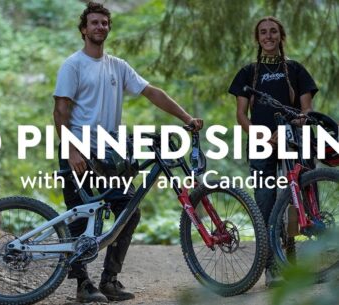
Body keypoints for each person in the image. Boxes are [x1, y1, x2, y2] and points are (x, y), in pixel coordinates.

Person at [53, 2, 203, 303]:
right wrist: (70, 150)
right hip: (79, 151)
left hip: (110, 156)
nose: (99, 27)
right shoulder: (73, 65)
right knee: (81, 219)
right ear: (84, 29)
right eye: (94, 23)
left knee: (128, 212)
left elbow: (152, 92)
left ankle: (109, 280)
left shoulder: (117, 66)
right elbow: (60, 111)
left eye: (104, 23)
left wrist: (186, 118)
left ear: (109, 28)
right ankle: (83, 284)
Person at [228, 16, 318, 288]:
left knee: (294, 204)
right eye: (263, 32)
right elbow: (241, 115)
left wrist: (291, 128)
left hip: (291, 141)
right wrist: (263, 136)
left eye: (273, 32)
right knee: (266, 204)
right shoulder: (247, 72)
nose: (268, 36)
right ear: (258, 38)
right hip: (260, 145)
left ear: (281, 36)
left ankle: (291, 260)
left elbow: (307, 110)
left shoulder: (296, 69)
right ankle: (272, 268)